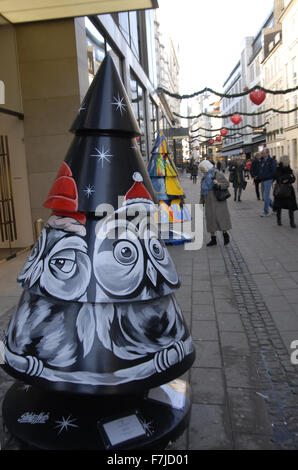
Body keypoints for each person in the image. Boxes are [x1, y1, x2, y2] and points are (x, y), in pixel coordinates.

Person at [199, 159, 232, 246]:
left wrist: (218, 184)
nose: (201, 171)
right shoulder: (204, 177)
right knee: (210, 221)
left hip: (218, 201)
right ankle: (213, 239)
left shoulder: (217, 174)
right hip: (209, 203)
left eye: (202, 168)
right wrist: (201, 201)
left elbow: (227, 184)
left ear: (207, 166)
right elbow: (202, 190)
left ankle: (225, 235)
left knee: (221, 219)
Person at [273, 155, 297, 228]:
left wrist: (287, 179)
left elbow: (293, 179)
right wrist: (287, 178)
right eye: (288, 159)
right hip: (281, 189)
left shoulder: (288, 168)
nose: (289, 160)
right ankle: (280, 221)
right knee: (279, 206)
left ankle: (291, 222)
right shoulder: (278, 168)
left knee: (290, 207)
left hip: (287, 189)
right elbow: (278, 177)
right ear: (285, 160)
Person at [258, 147, 277, 217]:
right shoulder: (262, 161)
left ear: (267, 153)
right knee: (265, 196)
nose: (262, 154)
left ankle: (266, 211)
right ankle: (275, 208)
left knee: (266, 196)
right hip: (263, 180)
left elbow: (274, 171)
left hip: (268, 180)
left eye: (263, 153)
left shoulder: (271, 161)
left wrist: (270, 178)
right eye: (261, 153)